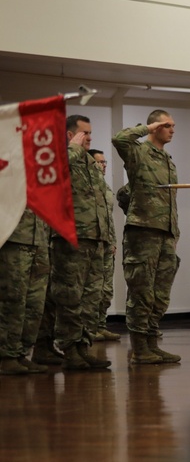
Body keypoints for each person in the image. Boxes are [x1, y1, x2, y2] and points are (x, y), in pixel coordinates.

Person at [35, 115, 113, 370]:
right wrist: (72, 149)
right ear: (70, 135)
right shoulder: (59, 157)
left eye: (90, 133)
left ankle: (83, 346)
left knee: (91, 297)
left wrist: (107, 237)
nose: (89, 138)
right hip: (71, 238)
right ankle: (69, 349)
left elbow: (101, 203)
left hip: (95, 238)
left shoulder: (90, 164)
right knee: (70, 296)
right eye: (84, 133)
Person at [112, 110, 181, 364]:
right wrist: (147, 127)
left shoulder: (168, 160)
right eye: (167, 125)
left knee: (161, 294)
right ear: (156, 127)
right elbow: (120, 139)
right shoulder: (139, 153)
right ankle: (140, 348)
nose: (172, 129)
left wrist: (175, 232)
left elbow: (171, 200)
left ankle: (152, 342)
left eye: (173, 125)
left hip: (165, 233)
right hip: (143, 232)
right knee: (141, 292)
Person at [0, 207, 51, 374]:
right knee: (13, 298)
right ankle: (7, 356)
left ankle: (21, 353)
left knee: (35, 303)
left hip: (39, 239)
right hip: (14, 237)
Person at [88, 149, 121, 343]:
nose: (104, 165)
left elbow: (108, 218)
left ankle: (100, 325)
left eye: (105, 162)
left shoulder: (105, 187)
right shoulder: (86, 186)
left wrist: (113, 241)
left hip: (107, 244)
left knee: (106, 289)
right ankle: (89, 328)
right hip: (93, 244)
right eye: (100, 162)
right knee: (92, 289)